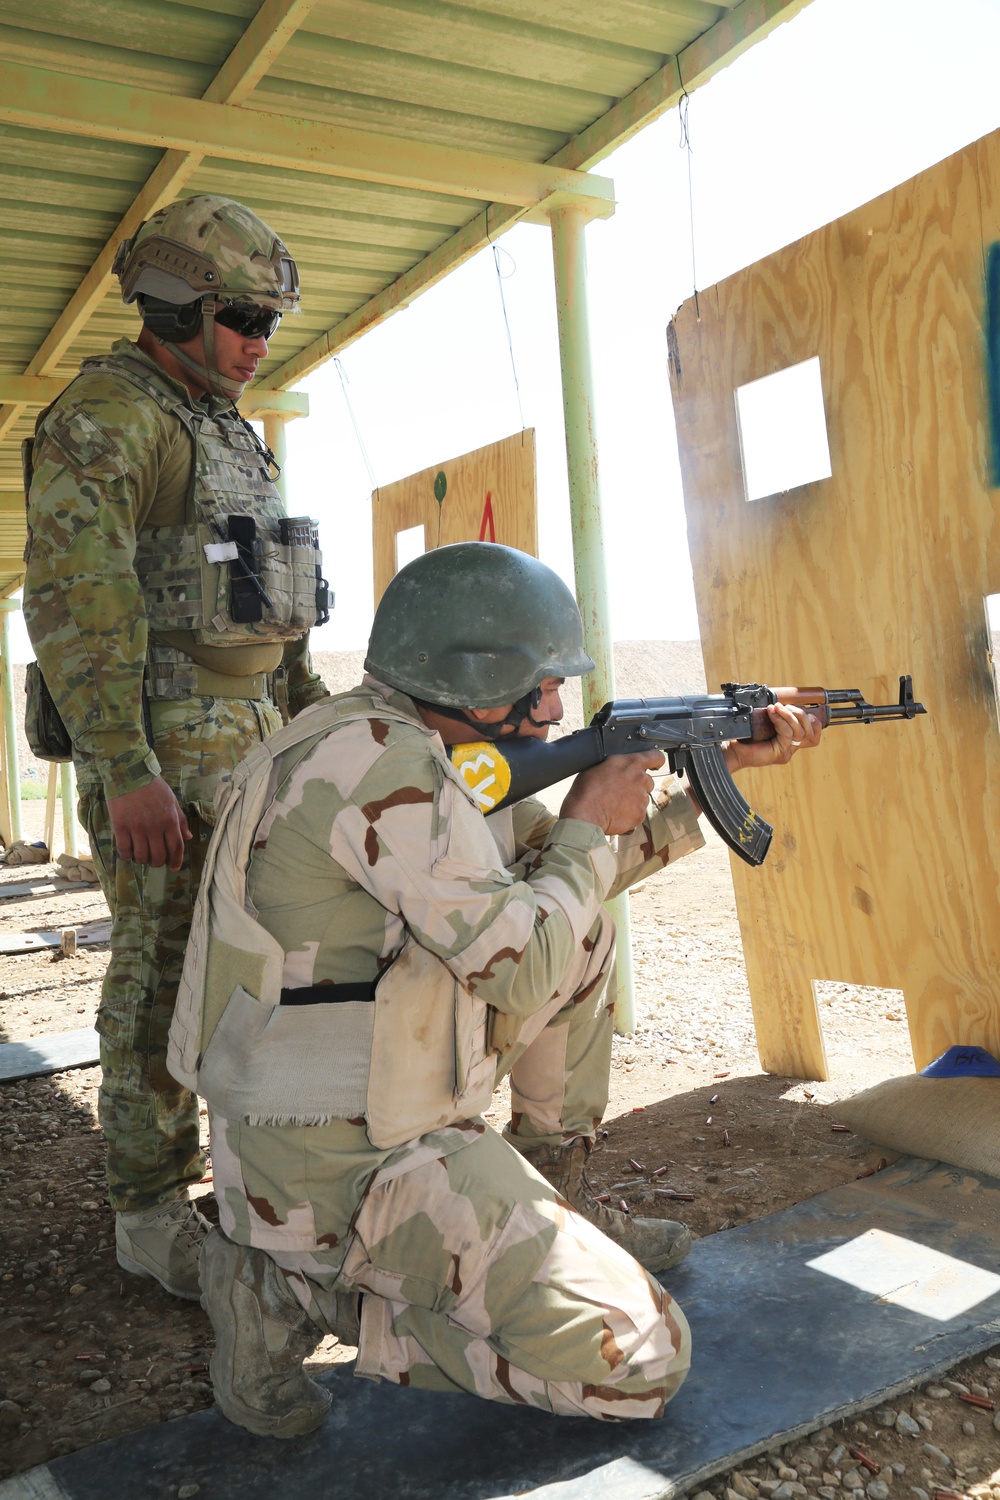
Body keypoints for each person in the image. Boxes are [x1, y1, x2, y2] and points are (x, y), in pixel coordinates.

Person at [168, 541, 821, 1436]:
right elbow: (524, 964)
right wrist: (590, 821)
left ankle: (551, 1191)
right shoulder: (386, 774)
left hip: (389, 1101)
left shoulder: (413, 739)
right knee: (638, 1360)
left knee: (579, 927)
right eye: (542, 682)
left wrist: (711, 787)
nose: (558, 705)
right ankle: (284, 1290)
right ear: (471, 672)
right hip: (343, 1161)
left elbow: (557, 894)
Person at [21, 194, 330, 1303]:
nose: (259, 340)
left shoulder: (224, 427)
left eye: (269, 322)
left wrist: (314, 733)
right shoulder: (110, 414)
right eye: (242, 315)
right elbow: (73, 594)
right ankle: (147, 1210)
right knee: (158, 978)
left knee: (255, 964)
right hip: (162, 753)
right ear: (174, 308)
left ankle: (244, 1171)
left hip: (250, 744)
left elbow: (273, 610)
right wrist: (124, 768)